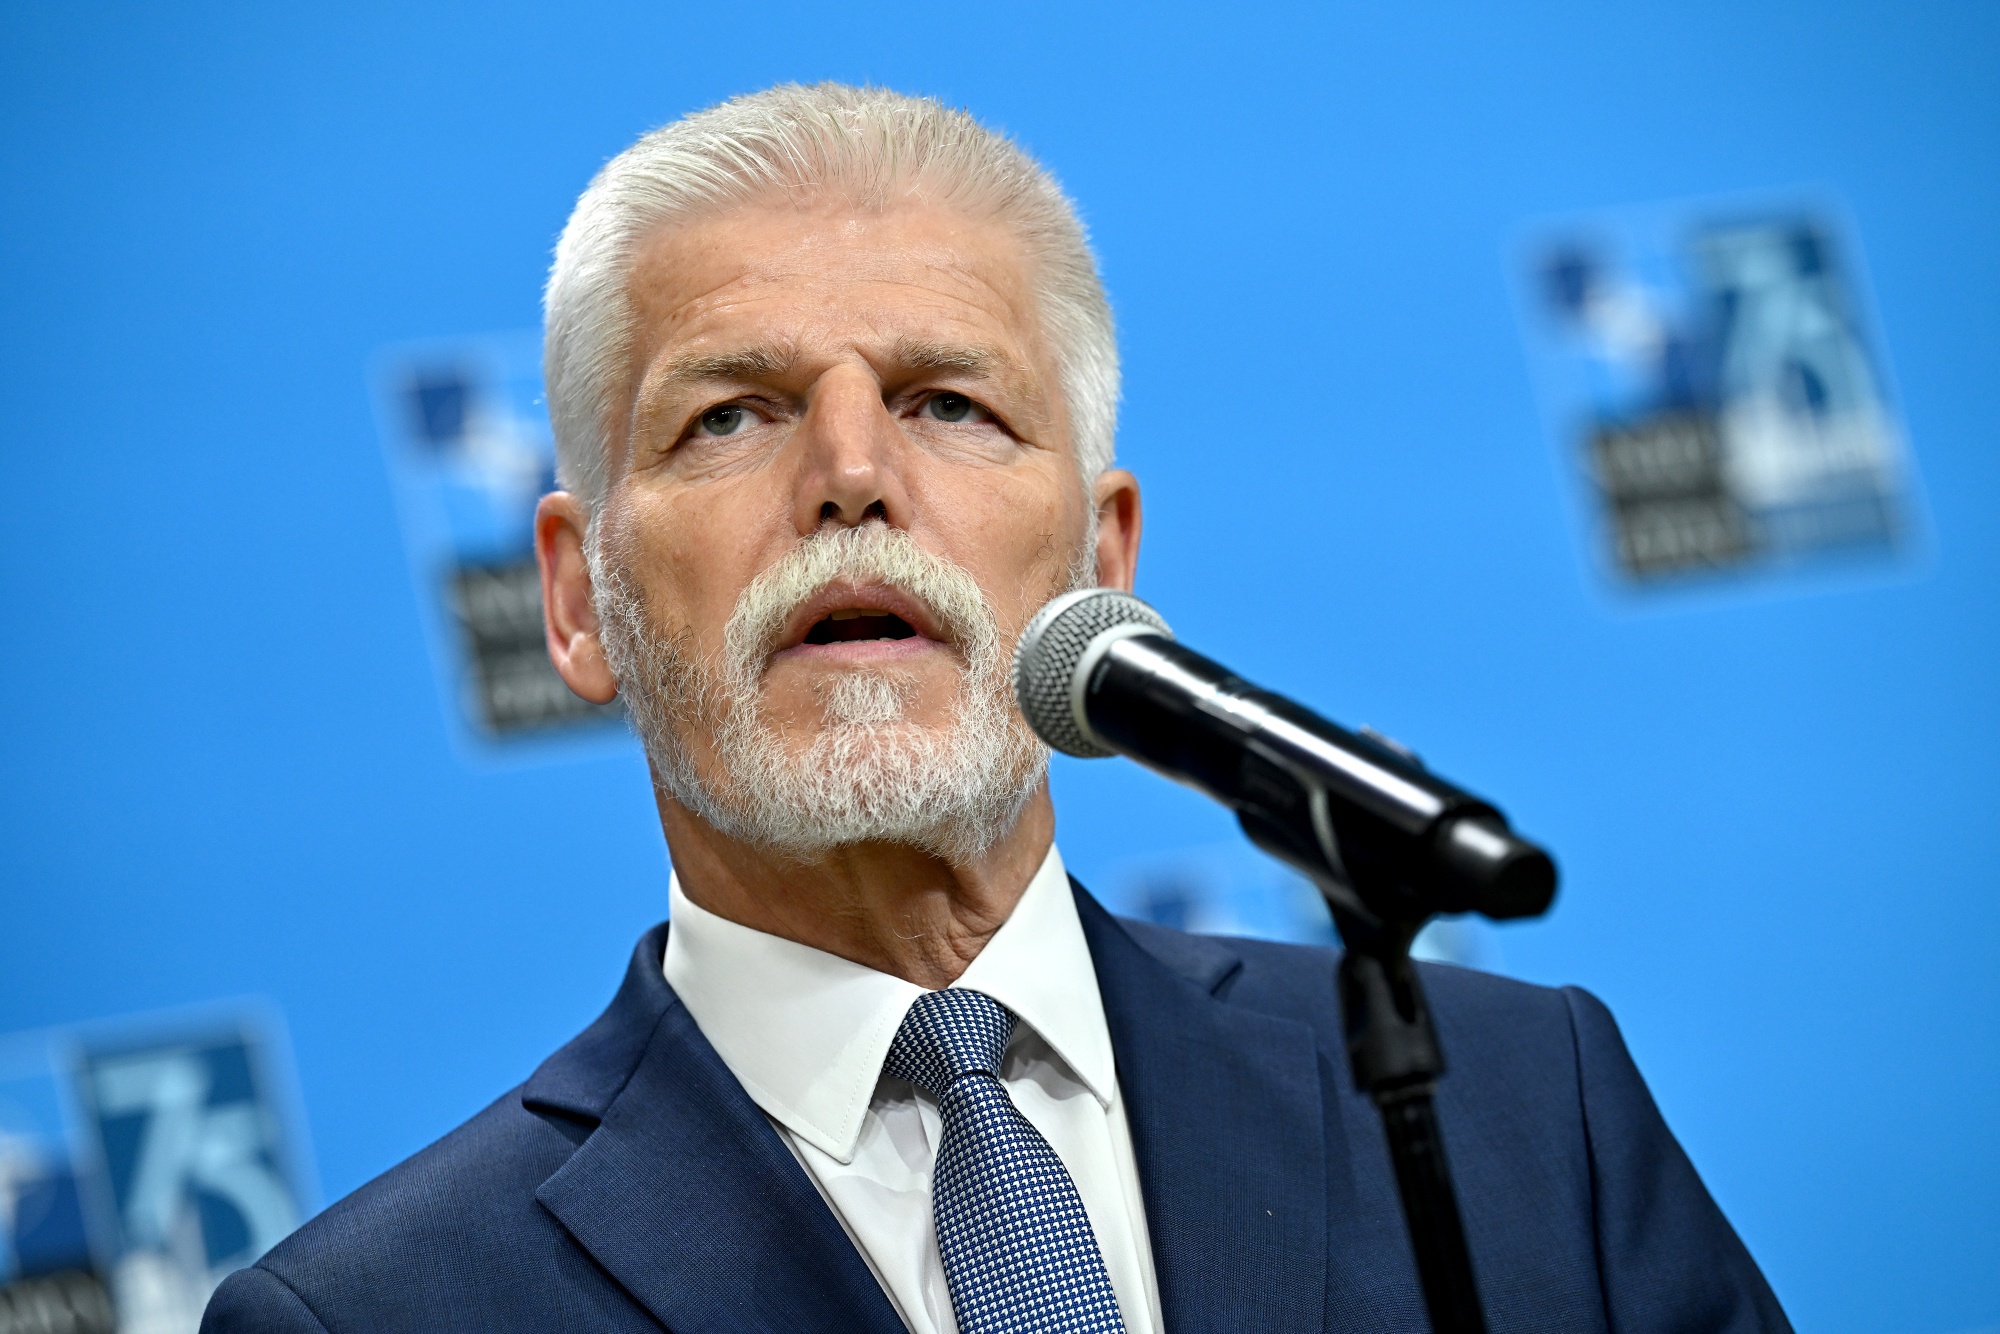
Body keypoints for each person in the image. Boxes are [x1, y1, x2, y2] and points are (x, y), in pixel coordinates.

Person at [202, 83, 1790, 1334]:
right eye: (732, 415)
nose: (851, 475)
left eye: (949, 404)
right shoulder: (381, 1311)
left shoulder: (1522, 1112)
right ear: (575, 598)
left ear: (1103, 561)